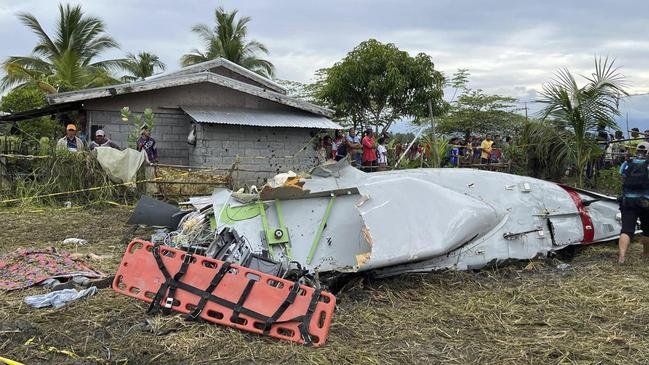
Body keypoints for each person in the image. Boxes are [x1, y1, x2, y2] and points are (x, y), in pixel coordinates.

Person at [617, 142, 649, 263]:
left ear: (637, 151)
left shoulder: (627, 163)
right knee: (647, 230)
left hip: (628, 201)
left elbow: (622, 178)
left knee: (626, 230)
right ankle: (646, 255)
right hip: (646, 202)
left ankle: (622, 257)